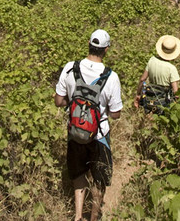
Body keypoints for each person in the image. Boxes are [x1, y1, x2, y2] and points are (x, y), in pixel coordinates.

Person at [55, 29, 123, 221]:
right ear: (106, 49)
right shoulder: (111, 77)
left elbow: (59, 101)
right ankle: (94, 216)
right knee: (99, 178)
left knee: (78, 173)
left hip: (75, 132)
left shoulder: (70, 68)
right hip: (99, 135)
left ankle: (77, 216)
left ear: (88, 44)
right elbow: (116, 114)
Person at [134, 34, 180, 111]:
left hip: (151, 96)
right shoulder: (172, 69)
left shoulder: (152, 60)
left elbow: (143, 79)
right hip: (164, 100)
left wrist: (138, 94)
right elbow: (175, 91)